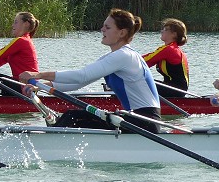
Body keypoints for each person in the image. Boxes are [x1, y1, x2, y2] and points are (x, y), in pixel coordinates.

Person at [19, 8, 161, 134]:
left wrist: (38, 74)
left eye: (107, 27)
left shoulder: (124, 56)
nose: (102, 29)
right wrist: (40, 86)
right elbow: (79, 83)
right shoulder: (113, 57)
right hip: (133, 118)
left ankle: (52, 145)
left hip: (145, 122)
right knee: (71, 117)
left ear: (122, 33)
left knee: (73, 117)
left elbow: (81, 76)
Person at [142, 18, 189, 98]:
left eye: (165, 29)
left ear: (174, 34)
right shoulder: (169, 48)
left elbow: (145, 60)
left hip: (175, 91)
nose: (162, 31)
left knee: (139, 81)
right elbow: (147, 61)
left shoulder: (170, 49)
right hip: (174, 89)